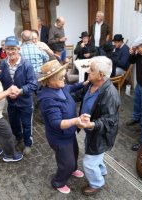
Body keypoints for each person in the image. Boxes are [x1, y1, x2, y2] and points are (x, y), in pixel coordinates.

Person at [37, 60, 90, 194]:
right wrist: (77, 120)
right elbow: (57, 123)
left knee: (75, 153)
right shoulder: (48, 99)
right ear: (49, 81)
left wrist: (86, 82)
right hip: (59, 137)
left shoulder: (60, 86)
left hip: (69, 133)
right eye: (60, 77)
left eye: (63, 75)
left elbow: (71, 87)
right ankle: (58, 182)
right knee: (66, 162)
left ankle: (72, 170)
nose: (64, 79)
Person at [73, 56, 120, 196]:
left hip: (101, 133)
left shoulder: (110, 94)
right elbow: (78, 95)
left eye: (91, 69)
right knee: (95, 153)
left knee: (89, 162)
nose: (88, 71)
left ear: (101, 75)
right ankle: (102, 171)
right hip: (91, 130)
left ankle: (96, 183)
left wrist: (92, 124)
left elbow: (109, 121)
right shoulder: (91, 84)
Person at [0, 36, 37, 156]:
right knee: (14, 123)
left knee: (26, 124)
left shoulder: (26, 65)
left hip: (25, 102)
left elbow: (33, 84)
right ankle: (19, 138)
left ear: (18, 49)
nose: (10, 52)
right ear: (5, 49)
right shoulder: (3, 64)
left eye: (13, 48)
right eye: (8, 49)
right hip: (11, 102)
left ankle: (28, 143)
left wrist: (19, 91)